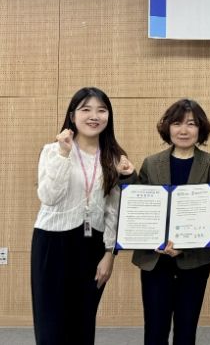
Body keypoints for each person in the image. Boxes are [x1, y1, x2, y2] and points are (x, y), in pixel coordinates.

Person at [31, 87, 136, 345]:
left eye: (101, 110)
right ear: (72, 115)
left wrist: (109, 254)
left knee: (83, 324)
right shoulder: (52, 150)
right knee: (51, 326)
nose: (94, 116)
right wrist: (64, 153)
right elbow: (49, 196)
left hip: (93, 245)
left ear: (108, 116)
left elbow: (113, 211)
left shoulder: (114, 158)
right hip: (52, 243)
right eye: (86, 109)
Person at [128, 99, 210, 345]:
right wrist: (127, 176)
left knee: (186, 330)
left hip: (194, 259)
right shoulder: (151, 162)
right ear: (168, 127)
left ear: (201, 129)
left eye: (191, 124)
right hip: (155, 259)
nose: (183, 130)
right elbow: (139, 207)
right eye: (177, 123)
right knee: (155, 330)